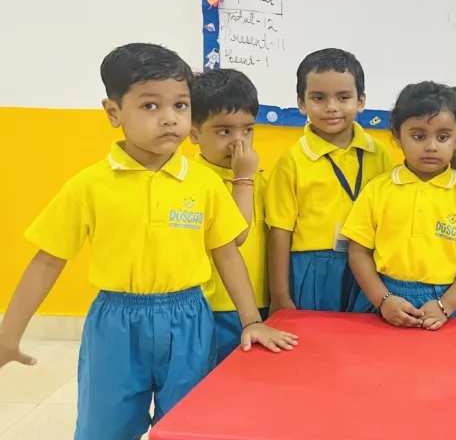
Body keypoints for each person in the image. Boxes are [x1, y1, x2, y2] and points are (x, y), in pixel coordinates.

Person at [0, 44, 296, 440]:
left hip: (191, 318)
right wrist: (9, 334)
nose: (169, 119)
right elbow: (47, 260)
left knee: (187, 425)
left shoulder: (204, 184)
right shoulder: (89, 185)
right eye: (150, 106)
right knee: (103, 427)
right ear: (113, 112)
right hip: (116, 323)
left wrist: (252, 321)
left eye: (180, 105)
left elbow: (226, 254)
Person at [344, 82, 456, 328]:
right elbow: (358, 251)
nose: (431, 146)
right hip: (382, 298)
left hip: (447, 306)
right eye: (418, 136)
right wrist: (383, 300)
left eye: (443, 136)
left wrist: (446, 305)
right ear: (397, 135)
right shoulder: (378, 189)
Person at [266, 49, 392, 315]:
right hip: (313, 268)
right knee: (315, 344)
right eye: (318, 98)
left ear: (361, 101)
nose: (332, 107)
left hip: (368, 264)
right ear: (301, 103)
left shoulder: (378, 154)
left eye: (343, 97)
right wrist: (279, 296)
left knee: (361, 342)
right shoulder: (292, 161)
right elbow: (279, 232)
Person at [189, 68, 270, 364]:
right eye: (224, 131)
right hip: (210, 306)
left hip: (257, 305)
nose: (239, 143)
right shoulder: (193, 181)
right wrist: (243, 179)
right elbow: (236, 234)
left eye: (247, 129)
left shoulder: (260, 179)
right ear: (194, 133)